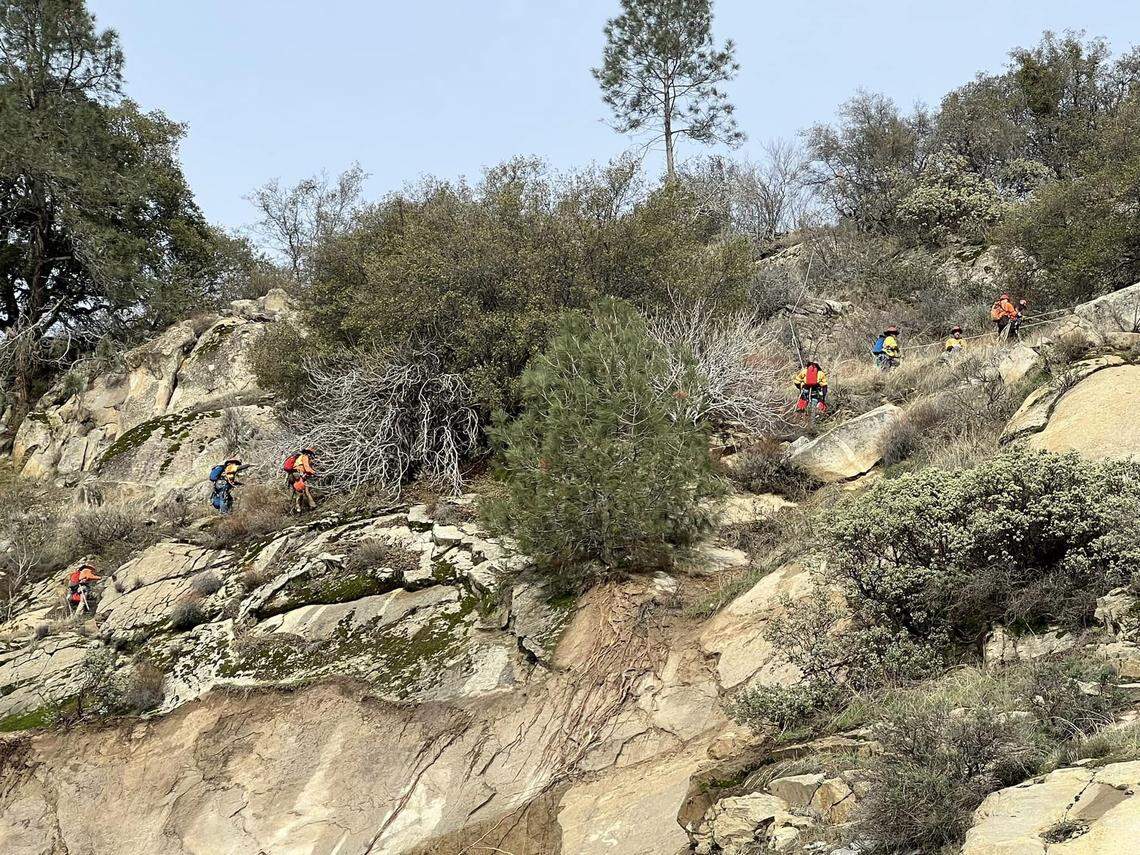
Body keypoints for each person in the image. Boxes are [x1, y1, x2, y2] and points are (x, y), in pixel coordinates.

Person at [285, 448, 317, 514]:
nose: (311, 456)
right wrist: (314, 473)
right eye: (311, 454)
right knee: (306, 489)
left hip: (292, 475)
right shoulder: (305, 457)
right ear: (309, 453)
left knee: (299, 491)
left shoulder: (299, 457)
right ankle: (311, 505)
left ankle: (299, 508)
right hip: (298, 474)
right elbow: (307, 468)